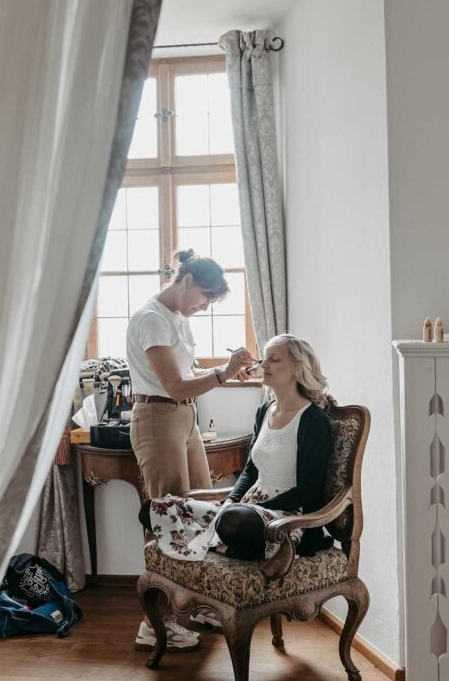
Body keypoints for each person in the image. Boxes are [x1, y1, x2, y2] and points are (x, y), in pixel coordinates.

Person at [127, 248, 253, 652]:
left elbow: (187, 376)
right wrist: (222, 373)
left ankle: (194, 604)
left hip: (184, 418)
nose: (204, 306)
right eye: (205, 297)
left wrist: (227, 374)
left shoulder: (177, 319)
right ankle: (156, 623)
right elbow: (176, 386)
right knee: (167, 512)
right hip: (158, 417)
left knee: (200, 508)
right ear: (186, 281)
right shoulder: (151, 318)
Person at [139, 333, 334, 572]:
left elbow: (309, 490)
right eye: (264, 358)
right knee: (152, 509)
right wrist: (230, 501)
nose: (263, 365)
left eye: (274, 360)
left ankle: (221, 539)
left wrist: (249, 508)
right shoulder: (265, 411)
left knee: (234, 521)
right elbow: (251, 470)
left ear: (297, 367)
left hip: (286, 516)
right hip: (245, 507)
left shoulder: (313, 419)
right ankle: (229, 544)